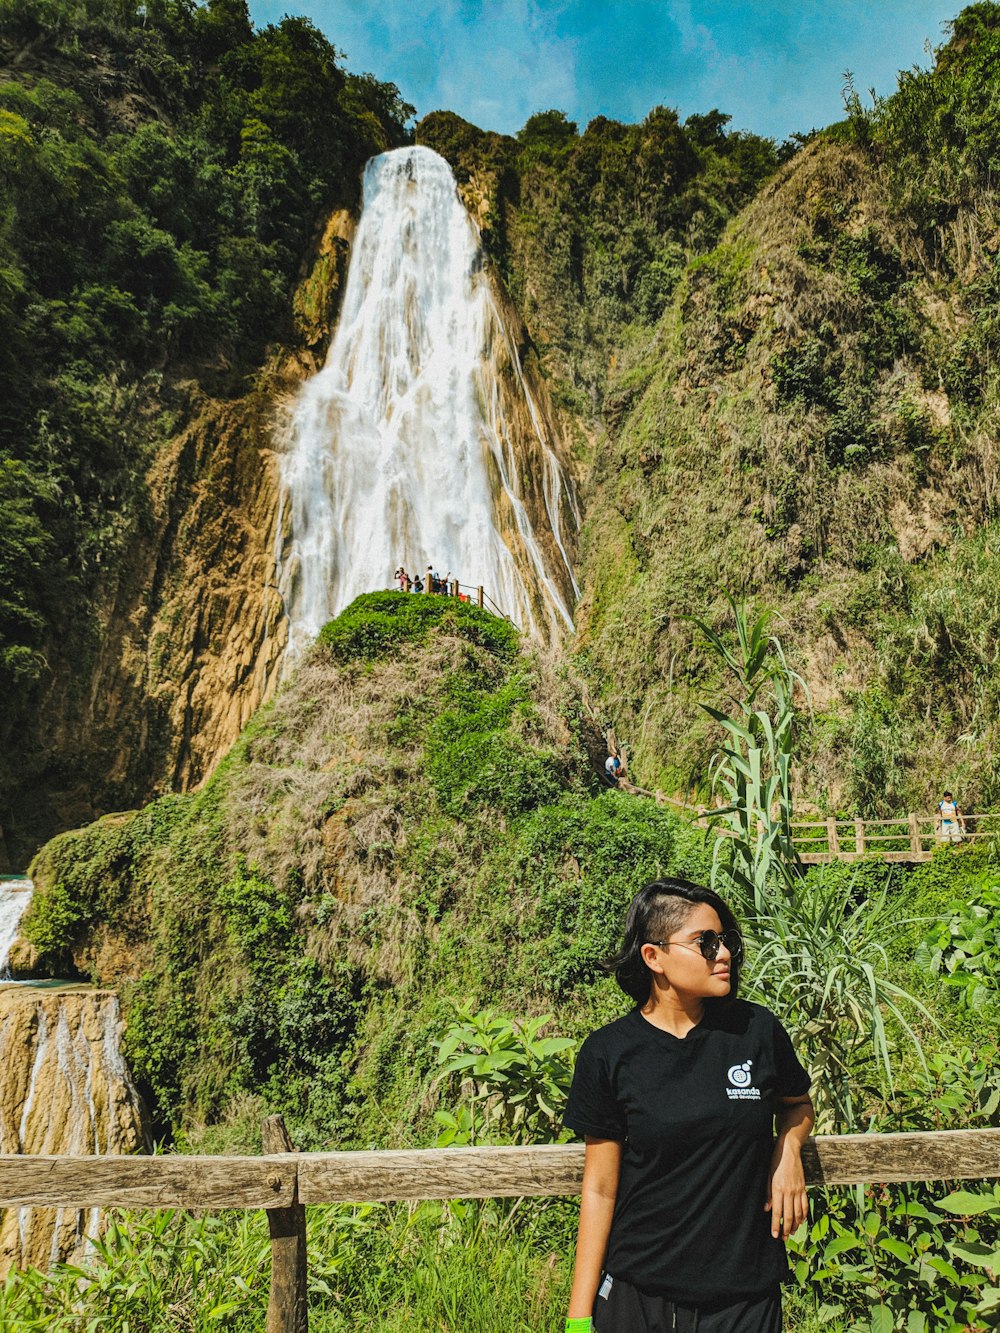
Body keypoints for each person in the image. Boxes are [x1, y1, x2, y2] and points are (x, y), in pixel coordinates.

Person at [563, 878, 814, 1333]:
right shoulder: (609, 1053)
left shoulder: (755, 1030)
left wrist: (789, 1150)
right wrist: (579, 1318)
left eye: (726, 941)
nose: (724, 954)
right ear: (653, 957)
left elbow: (798, 1105)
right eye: (706, 942)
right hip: (640, 1295)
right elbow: (599, 1189)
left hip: (746, 1297)